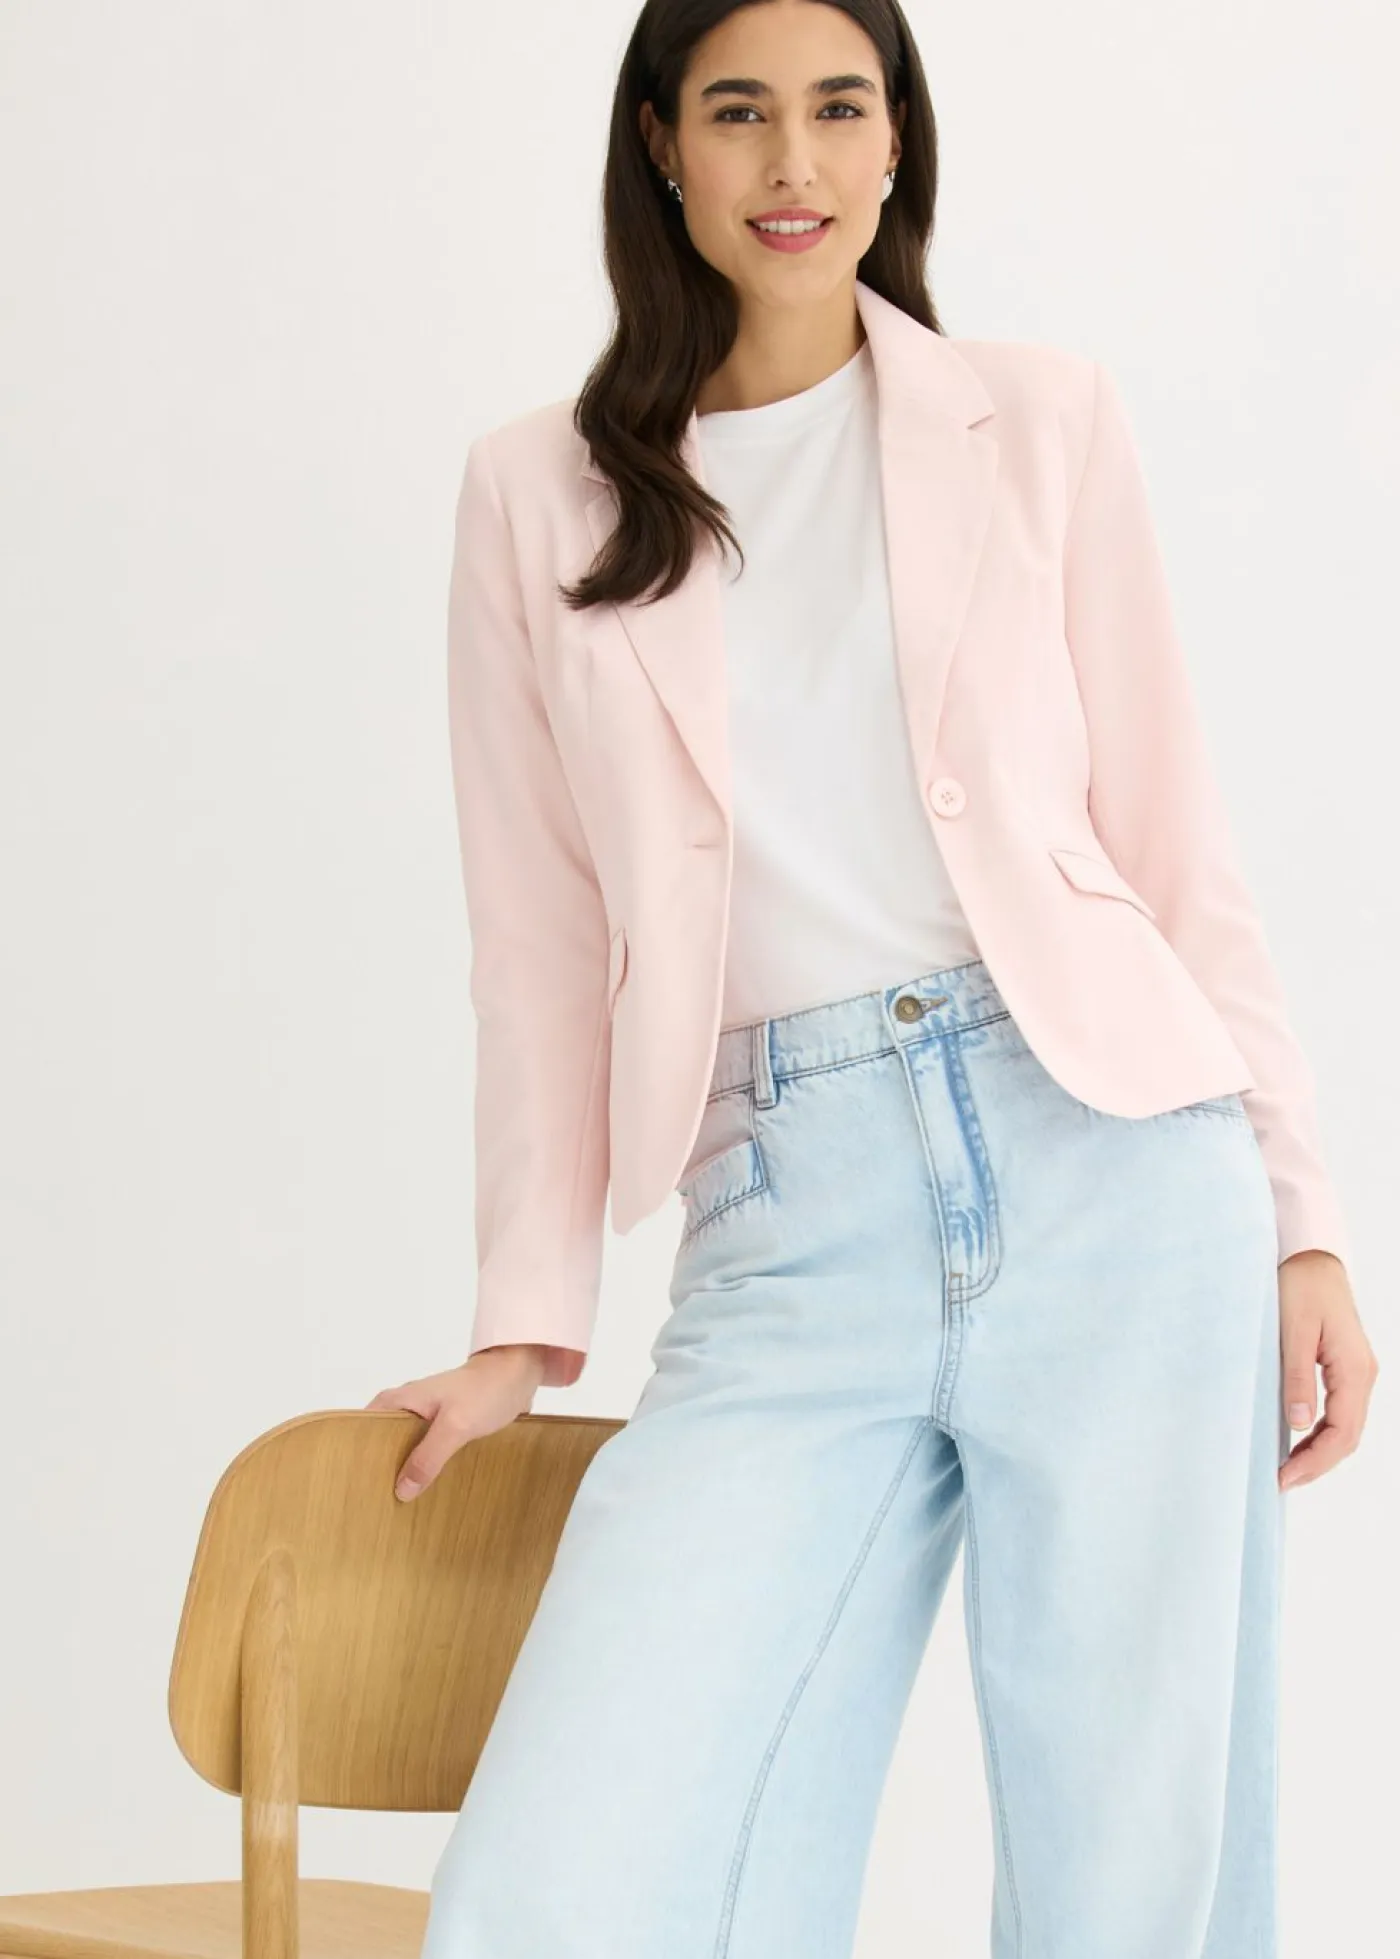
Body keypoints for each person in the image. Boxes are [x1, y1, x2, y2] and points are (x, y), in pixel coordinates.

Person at [372, 3, 1379, 1952]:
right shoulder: (538, 491)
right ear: (661, 145)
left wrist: (1303, 1216)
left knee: (1133, 1882)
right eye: (739, 113)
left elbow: (1172, 841)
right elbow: (539, 944)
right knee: (567, 1877)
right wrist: (525, 1317)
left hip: (1113, 1162)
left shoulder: (1040, 419)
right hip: (784, 1210)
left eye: (839, 109)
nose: (792, 163)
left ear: (897, 141)